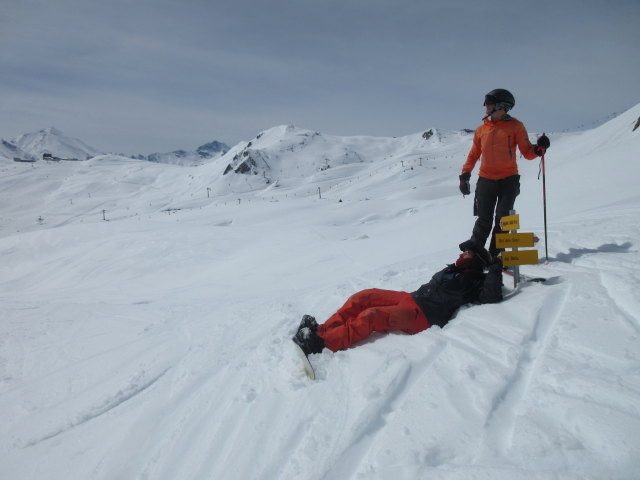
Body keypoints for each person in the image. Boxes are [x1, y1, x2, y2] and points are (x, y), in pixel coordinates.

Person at [292, 245, 502, 355]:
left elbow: (491, 296)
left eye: (467, 252)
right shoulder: (453, 269)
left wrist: (494, 268)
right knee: (364, 296)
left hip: (422, 316)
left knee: (371, 316)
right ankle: (321, 330)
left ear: (476, 260)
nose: (462, 253)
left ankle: (323, 344)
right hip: (411, 298)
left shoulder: (474, 281)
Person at [459, 88, 551, 256]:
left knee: (503, 219)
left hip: (508, 180)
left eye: (489, 102)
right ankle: (475, 254)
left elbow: (527, 152)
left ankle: (496, 254)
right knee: (483, 219)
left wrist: (539, 149)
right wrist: (465, 175)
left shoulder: (516, 126)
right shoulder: (482, 129)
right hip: (486, 180)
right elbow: (474, 154)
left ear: (502, 106)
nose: (485, 106)